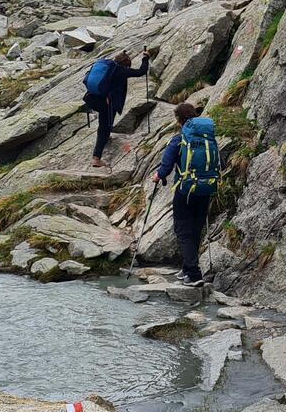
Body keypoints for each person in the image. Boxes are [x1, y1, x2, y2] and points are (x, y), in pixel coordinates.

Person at [151, 102, 219, 284]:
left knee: (183, 230)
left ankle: (194, 274)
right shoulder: (207, 138)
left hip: (185, 190)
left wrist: (158, 176)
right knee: (195, 230)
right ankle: (187, 268)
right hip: (205, 188)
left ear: (179, 120)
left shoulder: (179, 140)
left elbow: (166, 166)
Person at [82, 49, 150, 167]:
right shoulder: (121, 71)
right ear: (126, 64)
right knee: (104, 127)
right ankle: (96, 158)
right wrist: (145, 58)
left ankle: (105, 137)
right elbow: (141, 71)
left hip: (92, 99)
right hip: (106, 103)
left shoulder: (106, 66)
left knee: (104, 123)